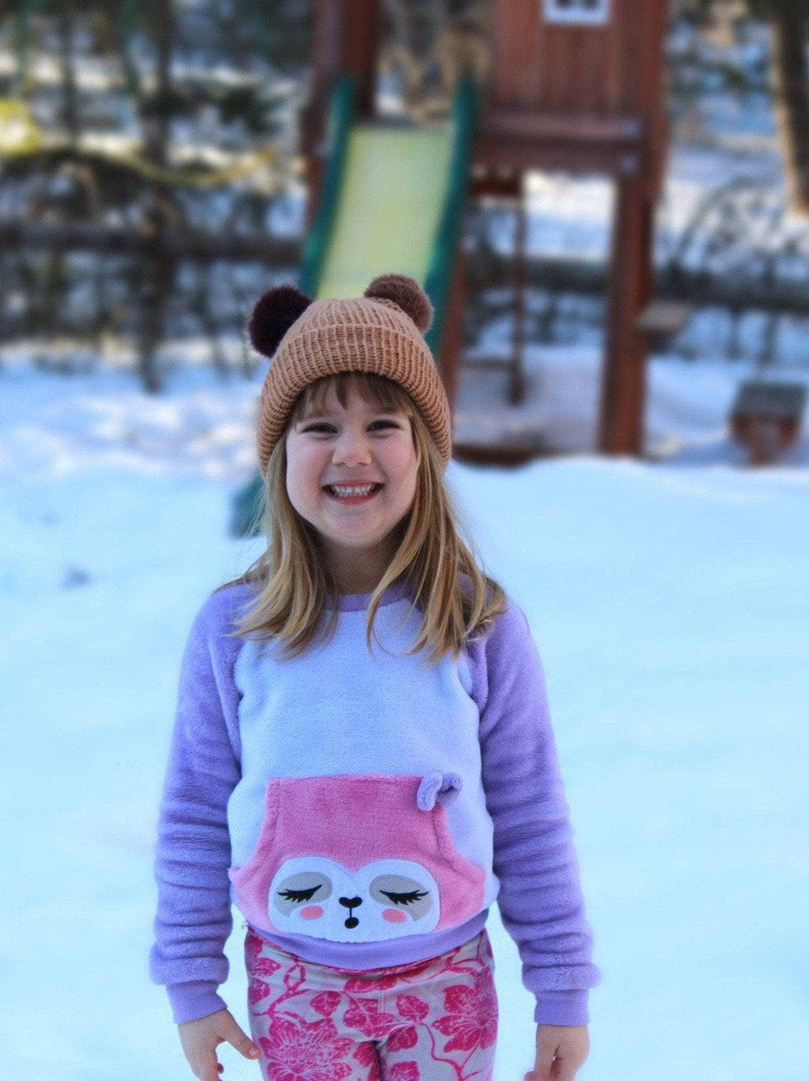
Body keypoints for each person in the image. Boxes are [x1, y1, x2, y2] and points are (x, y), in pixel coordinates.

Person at [151, 274, 599, 1081]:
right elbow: (193, 811)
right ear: (279, 456)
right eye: (318, 426)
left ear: (423, 450)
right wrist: (191, 978)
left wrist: (561, 982)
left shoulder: (478, 625)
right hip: (296, 980)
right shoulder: (235, 629)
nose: (350, 451)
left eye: (381, 423)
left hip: (447, 978)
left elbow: (530, 813)